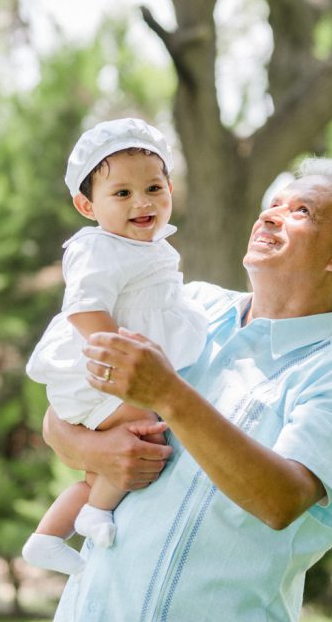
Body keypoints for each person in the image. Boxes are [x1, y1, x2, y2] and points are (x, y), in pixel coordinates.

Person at [34, 157, 332, 622]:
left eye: (300, 211)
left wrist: (169, 395)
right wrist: (94, 449)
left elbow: (279, 501)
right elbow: (61, 415)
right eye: (274, 203)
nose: (271, 216)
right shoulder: (186, 305)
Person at [22, 118, 207, 577]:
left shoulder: (150, 246)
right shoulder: (98, 248)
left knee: (108, 460)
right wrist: (125, 358)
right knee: (146, 428)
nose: (142, 202)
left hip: (117, 370)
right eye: (122, 194)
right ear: (87, 205)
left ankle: (48, 536)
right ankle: (95, 515)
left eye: (153, 188)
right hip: (99, 373)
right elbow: (83, 310)